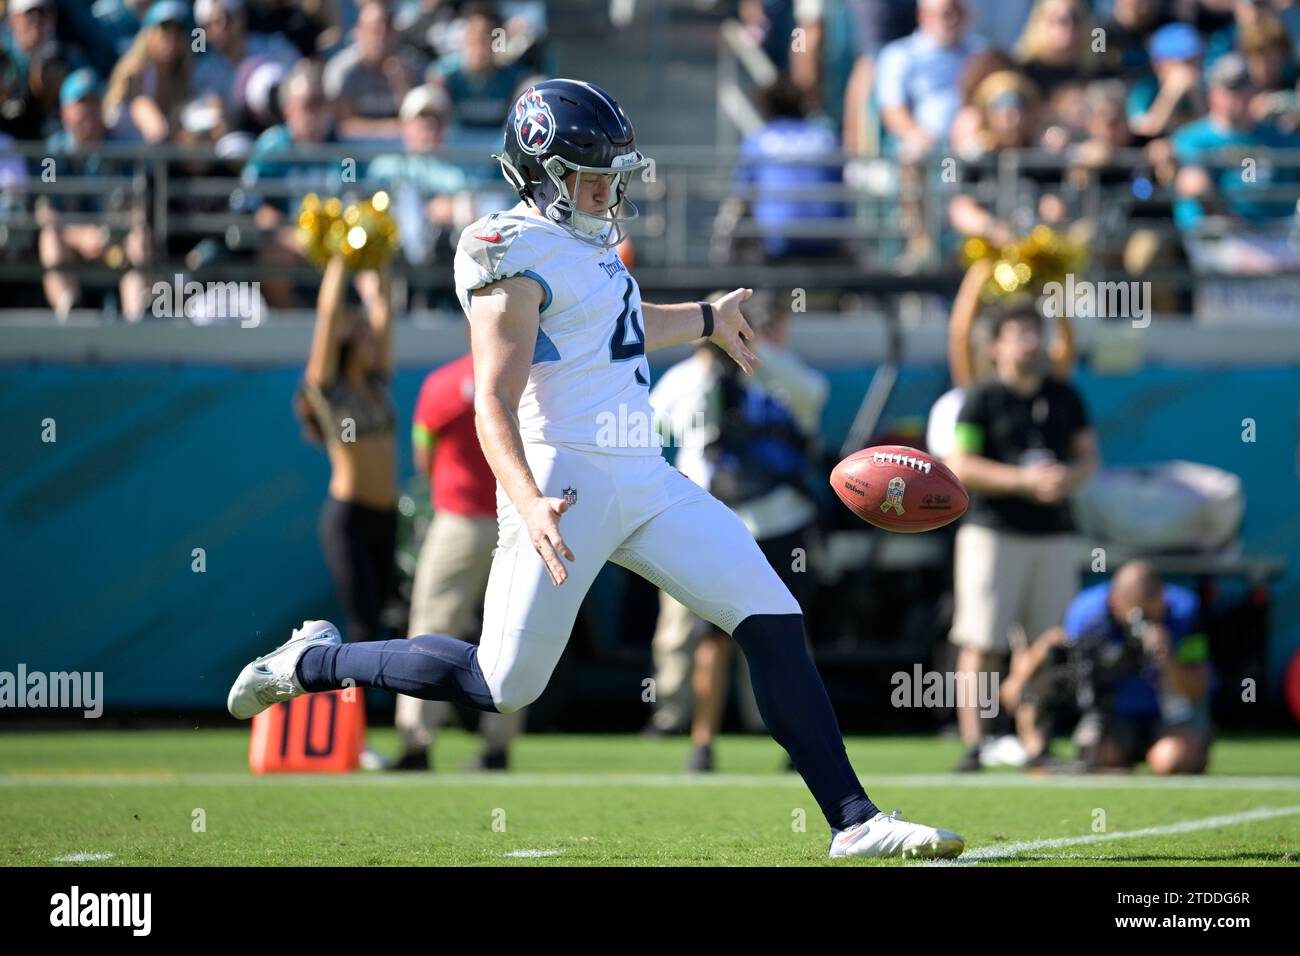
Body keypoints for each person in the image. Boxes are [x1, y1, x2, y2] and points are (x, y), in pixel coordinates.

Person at [229, 78, 965, 860]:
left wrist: (708, 320)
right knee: (504, 684)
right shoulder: (503, 248)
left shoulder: (584, 245)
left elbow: (617, 328)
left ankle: (854, 819)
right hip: (563, 478)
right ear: (540, 172)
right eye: (591, 173)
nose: (607, 189)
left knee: (770, 613)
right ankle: (311, 660)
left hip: (642, 473)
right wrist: (528, 500)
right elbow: (492, 401)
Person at [646, 294, 830, 770]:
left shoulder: (779, 367)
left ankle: (800, 737)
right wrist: (710, 361)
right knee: (711, 638)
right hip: (713, 521)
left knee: (789, 630)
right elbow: (661, 426)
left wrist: (756, 356)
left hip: (778, 518)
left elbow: (813, 397)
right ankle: (700, 740)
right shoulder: (686, 378)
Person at [946, 303, 1098, 772]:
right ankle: (976, 744)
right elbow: (961, 465)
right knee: (981, 641)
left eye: (1035, 331)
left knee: (1047, 645)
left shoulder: (1065, 394)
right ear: (996, 346)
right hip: (993, 534)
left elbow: (1088, 459)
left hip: (1052, 535)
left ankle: (1036, 743)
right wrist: (1024, 481)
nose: (1030, 342)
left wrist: (1064, 479)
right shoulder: (980, 397)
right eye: (1018, 333)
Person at [392, 349, 524, 772]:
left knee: (430, 629)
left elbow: (422, 456)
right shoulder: (535, 375)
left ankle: (417, 742)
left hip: (460, 521)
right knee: (513, 633)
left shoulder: (444, 382)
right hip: (518, 520)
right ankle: (497, 746)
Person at [1000, 561, 1212, 774]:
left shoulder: (1185, 611)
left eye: (1153, 611)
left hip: (1171, 712)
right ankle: (1037, 748)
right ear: (1114, 602)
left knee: (1173, 760)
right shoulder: (1088, 614)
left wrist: (1167, 660)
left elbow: (1197, 686)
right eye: (1138, 615)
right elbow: (1054, 646)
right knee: (1096, 756)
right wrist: (1019, 680)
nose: (1144, 623)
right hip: (1116, 712)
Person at [294, 254, 398, 650]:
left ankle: (390, 709)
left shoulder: (378, 381)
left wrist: (380, 250)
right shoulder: (329, 389)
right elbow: (327, 317)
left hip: (386, 517)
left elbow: (385, 306)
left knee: (391, 620)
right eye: (366, 336)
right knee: (363, 624)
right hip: (348, 520)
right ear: (349, 343)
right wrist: (339, 260)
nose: (375, 339)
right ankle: (356, 711)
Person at [37, 69, 150, 321]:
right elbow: (46, 211)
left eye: (94, 102)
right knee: (49, 237)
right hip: (73, 245)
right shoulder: (53, 154)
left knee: (139, 234)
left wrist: (112, 235)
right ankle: (69, 308)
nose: (88, 111)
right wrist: (81, 236)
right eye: (80, 104)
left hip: (116, 241)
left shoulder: (122, 149)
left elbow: (137, 206)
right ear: (65, 112)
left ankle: (139, 316)